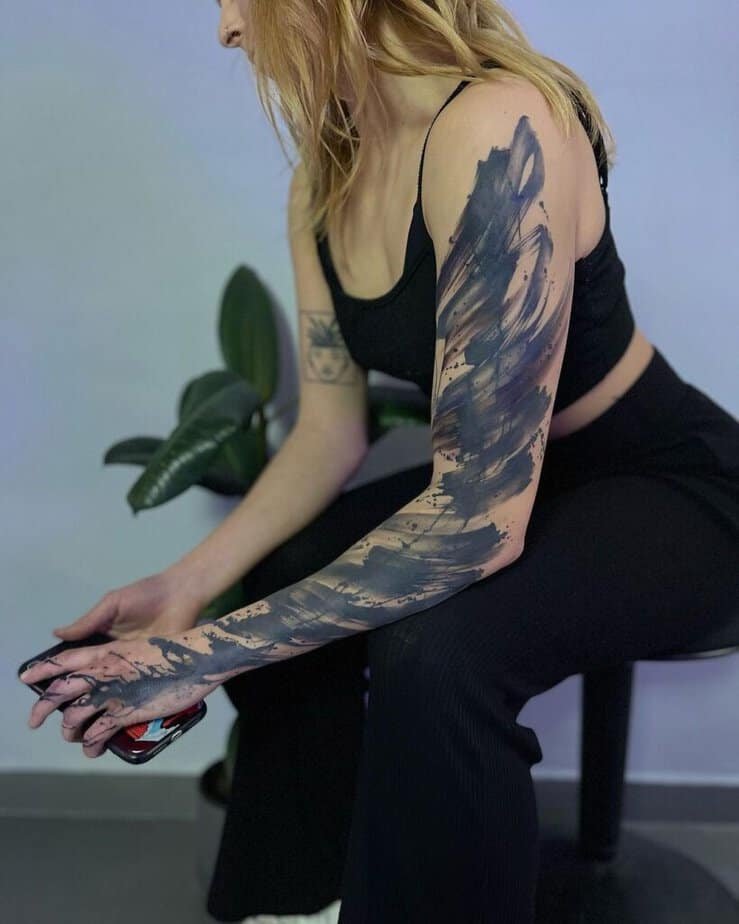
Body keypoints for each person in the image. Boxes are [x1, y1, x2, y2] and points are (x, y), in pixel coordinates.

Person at [23, 2, 738, 923]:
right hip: (521, 481)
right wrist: (187, 587)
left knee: (437, 650)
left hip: (671, 479)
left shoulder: (499, 126)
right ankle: (303, 904)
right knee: (285, 570)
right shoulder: (325, 178)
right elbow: (329, 432)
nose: (226, 30)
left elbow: (476, 519)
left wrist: (201, 656)